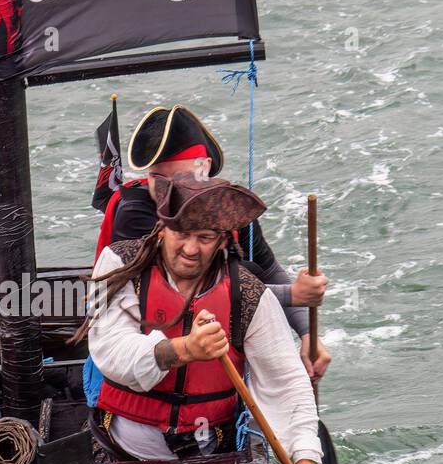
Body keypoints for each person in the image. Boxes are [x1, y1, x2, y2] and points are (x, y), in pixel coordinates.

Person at [84, 173, 324, 464]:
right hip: (123, 458)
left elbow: (287, 382)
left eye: (205, 237)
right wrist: (184, 349)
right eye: (181, 233)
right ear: (162, 228)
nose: (191, 248)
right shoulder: (120, 265)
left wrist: (306, 460)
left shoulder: (247, 292)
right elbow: (111, 350)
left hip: (210, 461)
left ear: (223, 241)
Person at [95, 103, 331, 383]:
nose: (164, 191)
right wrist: (292, 294)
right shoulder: (135, 212)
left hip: (216, 360)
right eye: (156, 178)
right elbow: (182, 291)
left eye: (176, 179)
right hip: (140, 363)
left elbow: (269, 271)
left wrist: (307, 334)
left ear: (204, 169)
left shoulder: (230, 208)